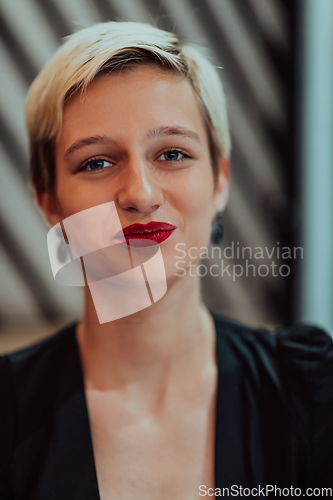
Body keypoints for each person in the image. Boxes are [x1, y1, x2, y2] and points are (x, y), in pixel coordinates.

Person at [0, 21, 333, 500]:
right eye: (96, 162)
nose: (140, 193)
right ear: (48, 200)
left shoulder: (309, 393)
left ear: (220, 182)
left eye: (172, 153)